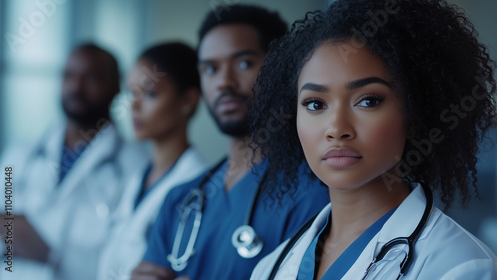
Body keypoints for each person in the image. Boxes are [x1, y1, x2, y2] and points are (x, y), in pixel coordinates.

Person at [248, 0, 497, 279]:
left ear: (415, 115)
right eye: (316, 104)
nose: (336, 128)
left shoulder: (460, 267)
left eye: (368, 100)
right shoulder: (269, 269)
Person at [130, 5, 329, 280]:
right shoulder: (180, 200)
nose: (224, 81)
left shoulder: (313, 196)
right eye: (210, 69)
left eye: (244, 63)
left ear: (282, 69)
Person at [0, 43, 149, 280]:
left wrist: (54, 257)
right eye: (69, 76)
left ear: (116, 87)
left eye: (91, 78)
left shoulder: (136, 166)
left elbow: (127, 256)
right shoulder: (19, 155)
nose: (76, 87)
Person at [97, 42, 208, 280]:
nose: (134, 106)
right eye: (131, 93)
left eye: (150, 93)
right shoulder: (139, 176)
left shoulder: (199, 187)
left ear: (188, 100)